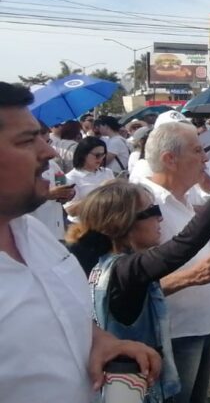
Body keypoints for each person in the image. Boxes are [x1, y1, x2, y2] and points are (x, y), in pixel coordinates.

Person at [0, 82, 161, 402]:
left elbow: (59, 314)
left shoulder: (34, 233)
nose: (47, 152)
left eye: (42, 137)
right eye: (26, 140)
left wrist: (100, 341)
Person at [66, 138, 210, 401]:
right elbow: (185, 244)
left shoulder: (102, 262)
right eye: (152, 211)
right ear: (126, 222)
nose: (160, 217)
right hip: (136, 386)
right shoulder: (125, 269)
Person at [139, 121, 210, 403]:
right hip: (172, 334)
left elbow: (203, 252)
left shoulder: (187, 198)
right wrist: (191, 277)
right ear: (170, 159)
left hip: (201, 322)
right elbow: (134, 281)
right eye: (197, 150)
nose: (206, 158)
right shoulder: (143, 203)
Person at [65, 136, 116, 217]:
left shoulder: (107, 172)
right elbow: (71, 211)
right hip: (82, 224)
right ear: (83, 154)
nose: (101, 158)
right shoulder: (71, 178)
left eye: (103, 155)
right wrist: (100, 192)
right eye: (97, 155)